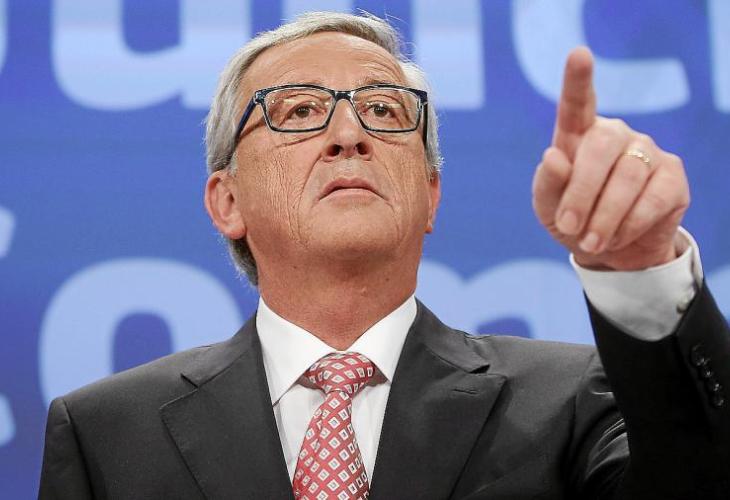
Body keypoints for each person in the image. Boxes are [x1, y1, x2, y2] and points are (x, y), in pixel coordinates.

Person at [38, 12, 729, 500]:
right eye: (299, 110)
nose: (349, 134)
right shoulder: (108, 434)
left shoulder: (571, 401)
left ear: (431, 195)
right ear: (227, 201)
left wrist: (641, 268)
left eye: (385, 110)